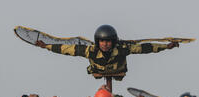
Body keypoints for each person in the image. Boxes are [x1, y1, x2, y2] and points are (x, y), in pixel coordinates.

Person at [35, 25, 179, 80]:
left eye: (108, 42)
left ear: (113, 42)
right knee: (96, 72)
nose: (105, 44)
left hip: (118, 71)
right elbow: (66, 49)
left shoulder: (123, 49)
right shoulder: (90, 51)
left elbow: (145, 48)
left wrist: (166, 46)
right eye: (102, 42)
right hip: (98, 71)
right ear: (97, 42)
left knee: (119, 74)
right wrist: (46, 46)